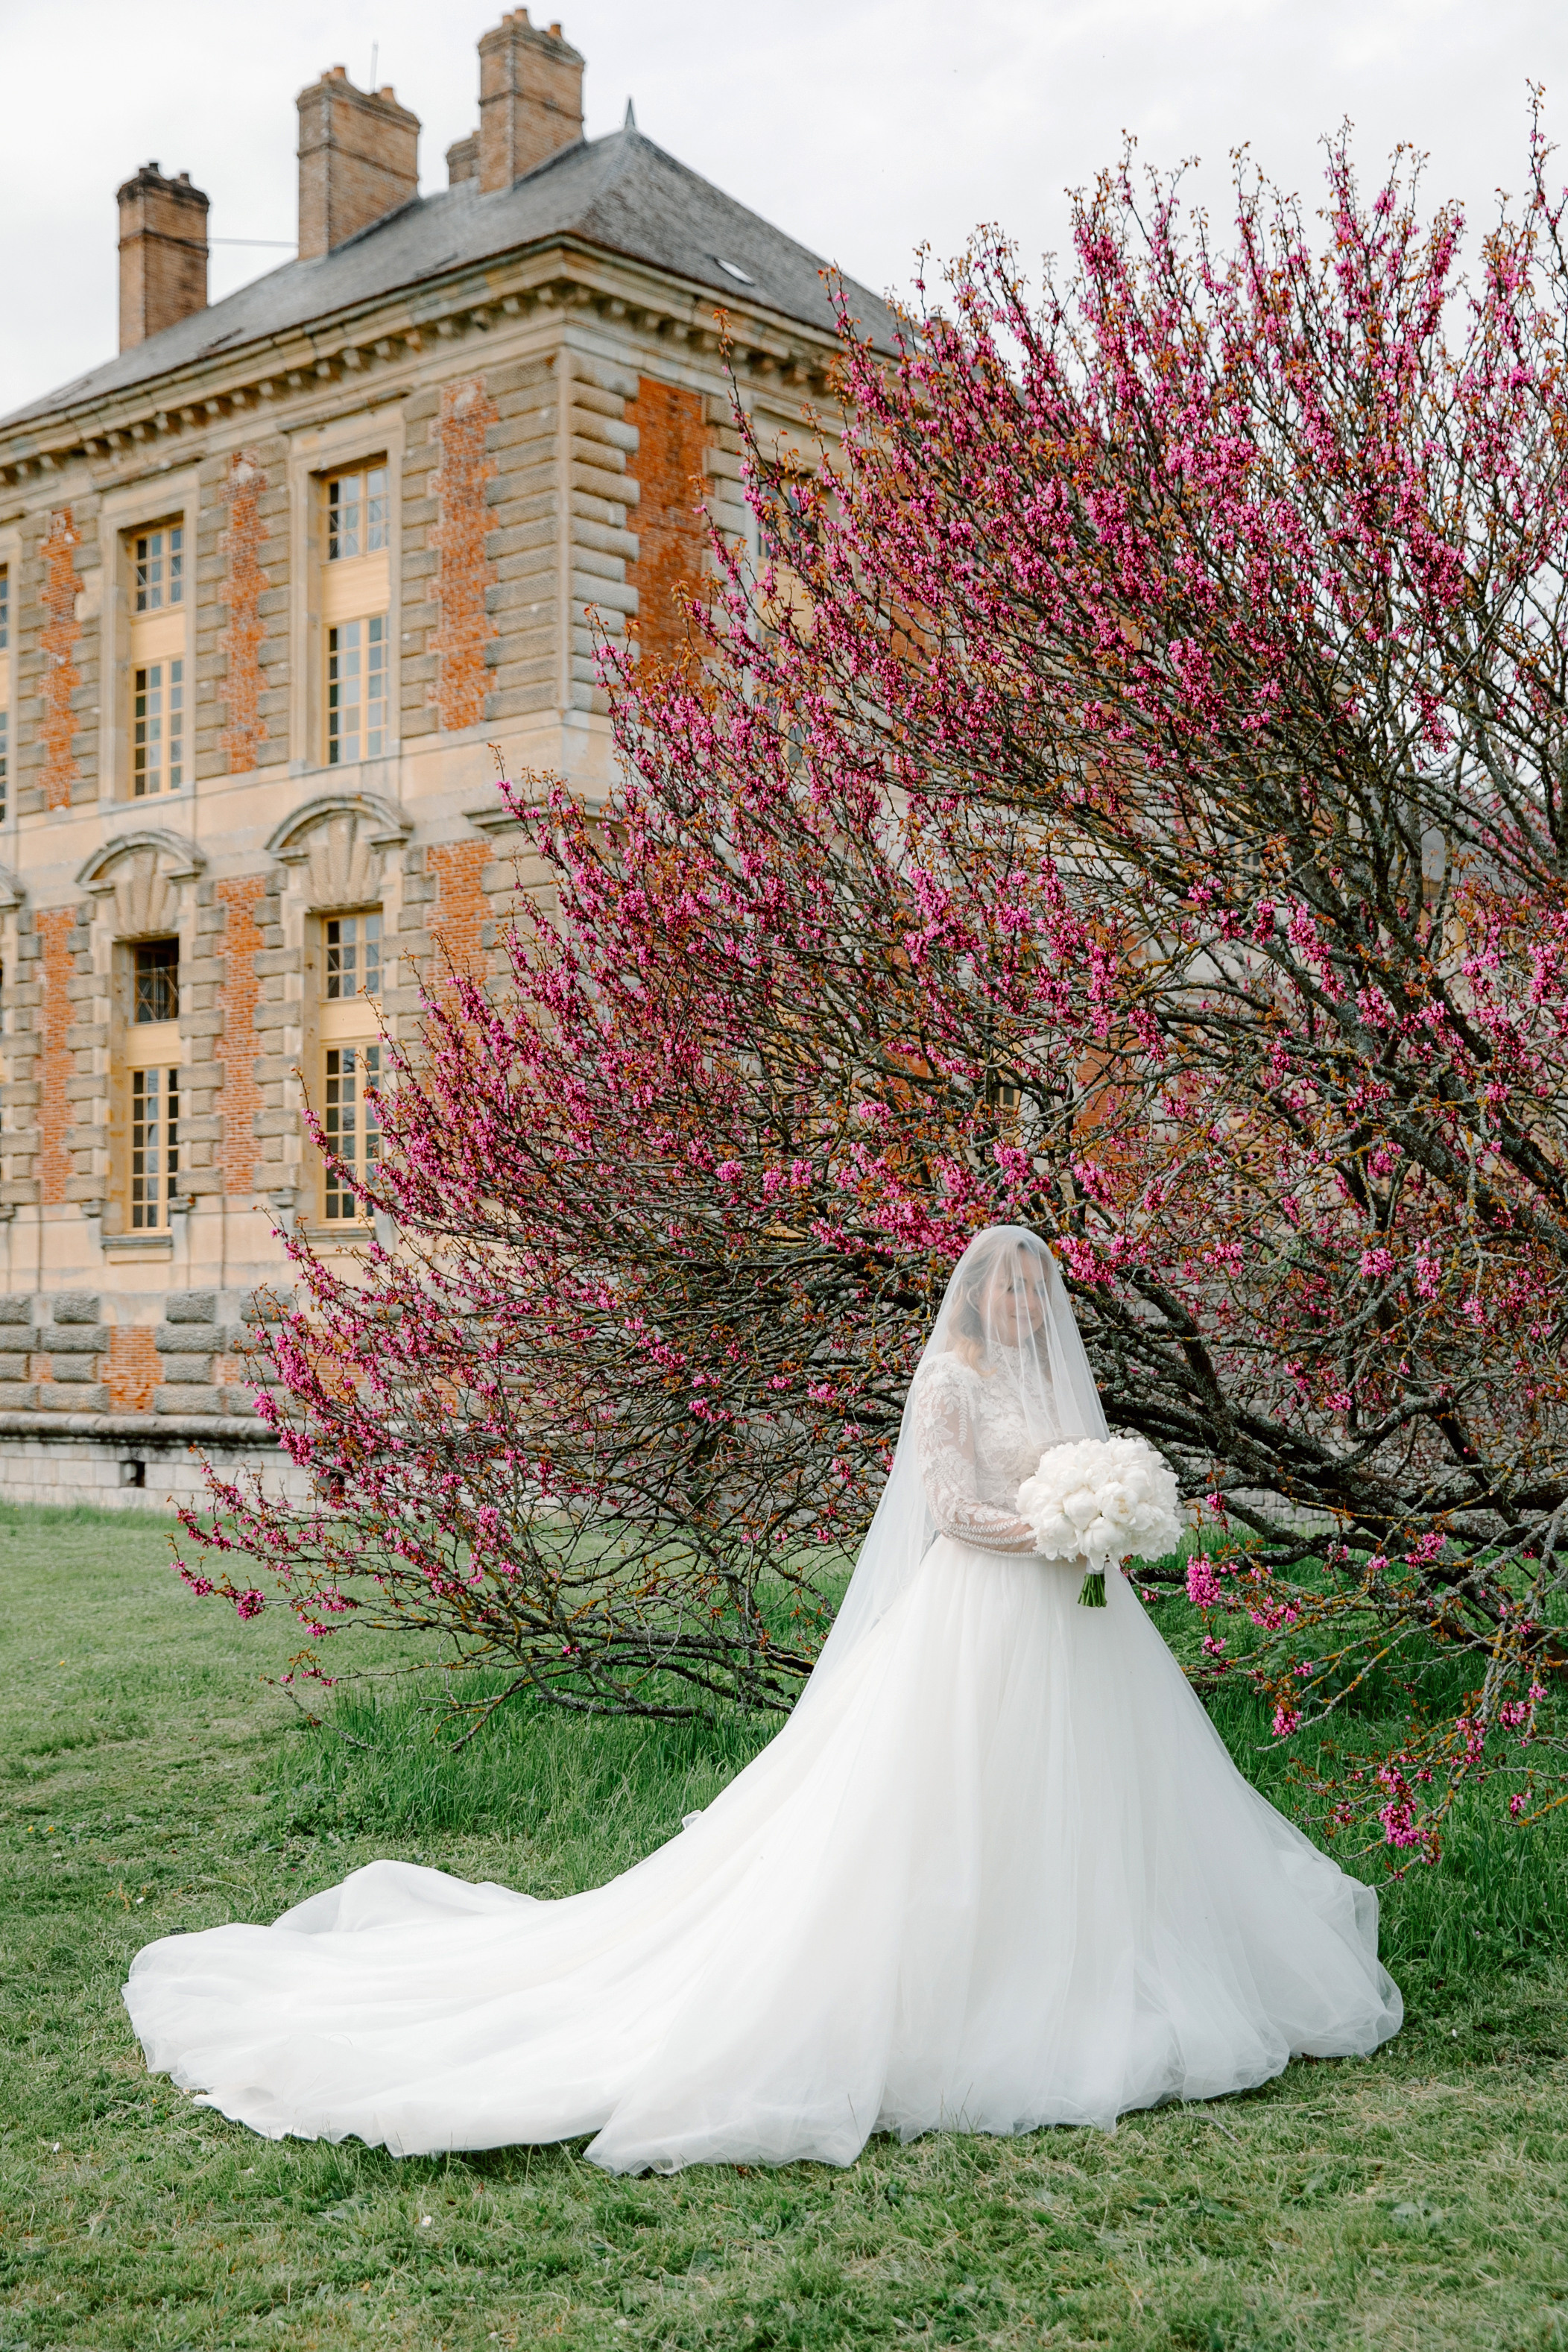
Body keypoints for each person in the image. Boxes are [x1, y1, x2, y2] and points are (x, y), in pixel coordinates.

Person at [124, 1225, 1400, 2171]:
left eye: (1035, 1287)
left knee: (1099, 1804)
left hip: (1076, 1631)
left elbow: (1076, 1466)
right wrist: (1055, 1528)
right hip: (979, 1620)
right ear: (977, 1294)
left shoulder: (1053, 1386)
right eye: (1005, 1285)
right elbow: (949, 1511)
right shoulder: (950, 1380)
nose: (1020, 1301)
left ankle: (1107, 1966)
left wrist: (1108, 1507)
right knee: (943, 1815)